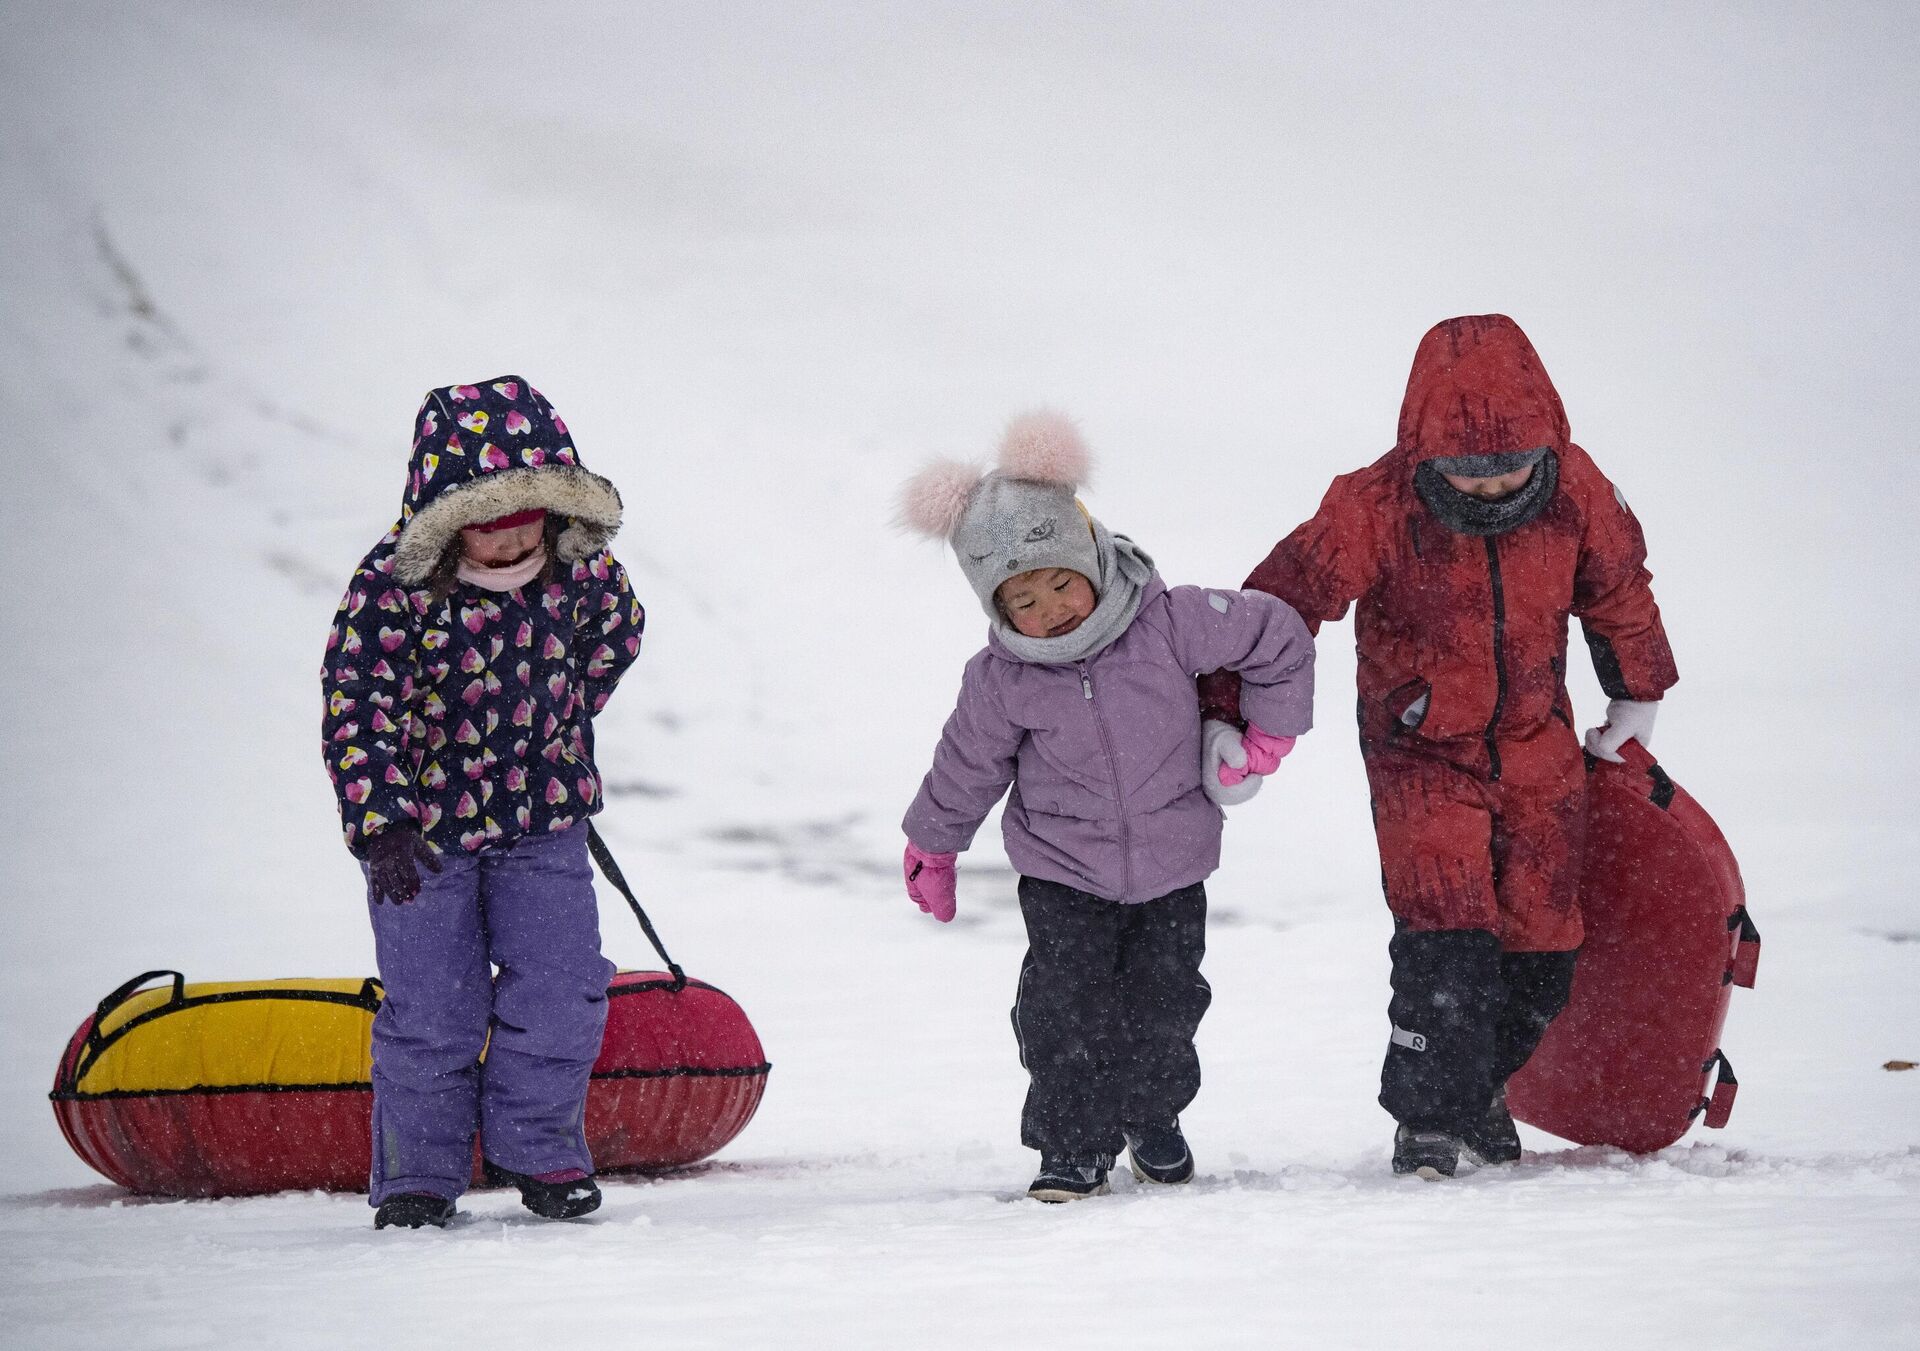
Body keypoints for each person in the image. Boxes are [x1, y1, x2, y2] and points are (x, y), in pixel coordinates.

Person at [1201, 315, 1677, 1178]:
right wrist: (1228, 709)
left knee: (1544, 952)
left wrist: (1637, 687)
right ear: (1423, 452)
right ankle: (1426, 1120)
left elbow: (1617, 587)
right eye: (1468, 474)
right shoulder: (1374, 506)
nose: (1493, 492)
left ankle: (1478, 1091)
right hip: (1419, 755)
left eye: (1511, 473)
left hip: (1539, 745)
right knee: (1447, 940)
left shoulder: (1577, 490)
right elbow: (1283, 603)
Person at [898, 411, 1315, 1201]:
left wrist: (1269, 736)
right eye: (1023, 597)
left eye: (1061, 580)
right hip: (1063, 875)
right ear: (994, 604)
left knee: (1167, 1005)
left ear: (1090, 553)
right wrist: (934, 842)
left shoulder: (1169, 621)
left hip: (1172, 863)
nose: (1050, 606)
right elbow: (966, 763)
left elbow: (1279, 636)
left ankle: (1153, 1115)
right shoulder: (1003, 679)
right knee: (1064, 1011)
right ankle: (1071, 1143)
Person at [321, 377, 643, 1228]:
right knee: (433, 1004)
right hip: (424, 840)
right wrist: (379, 816)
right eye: (485, 520)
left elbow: (617, 639)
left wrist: (563, 725)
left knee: (564, 985)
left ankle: (540, 1150)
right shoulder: (396, 590)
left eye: (523, 517)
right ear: (446, 513)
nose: (506, 541)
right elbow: (358, 702)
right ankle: (419, 1175)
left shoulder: (581, 575)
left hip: (543, 826)